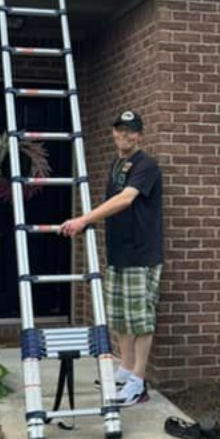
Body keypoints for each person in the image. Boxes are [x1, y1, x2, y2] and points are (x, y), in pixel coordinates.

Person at [59, 110, 163, 406]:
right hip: (118, 252)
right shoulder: (118, 164)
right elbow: (113, 205)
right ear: (113, 133)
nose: (125, 135)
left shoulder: (147, 165)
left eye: (131, 131)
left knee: (140, 319)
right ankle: (126, 368)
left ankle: (138, 382)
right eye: (120, 130)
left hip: (141, 253)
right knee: (119, 316)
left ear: (139, 135)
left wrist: (83, 219)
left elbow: (125, 199)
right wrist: (91, 221)